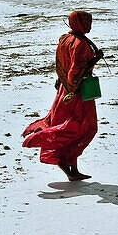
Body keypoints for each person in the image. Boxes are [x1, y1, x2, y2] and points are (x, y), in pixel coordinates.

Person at [22, 10, 103, 181]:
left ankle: (72, 169)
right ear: (79, 23)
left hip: (63, 90)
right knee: (84, 128)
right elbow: (76, 71)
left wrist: (64, 85)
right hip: (77, 93)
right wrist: (74, 90)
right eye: (86, 23)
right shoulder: (80, 44)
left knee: (71, 126)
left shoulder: (64, 39)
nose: (89, 26)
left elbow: (61, 63)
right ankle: (63, 162)